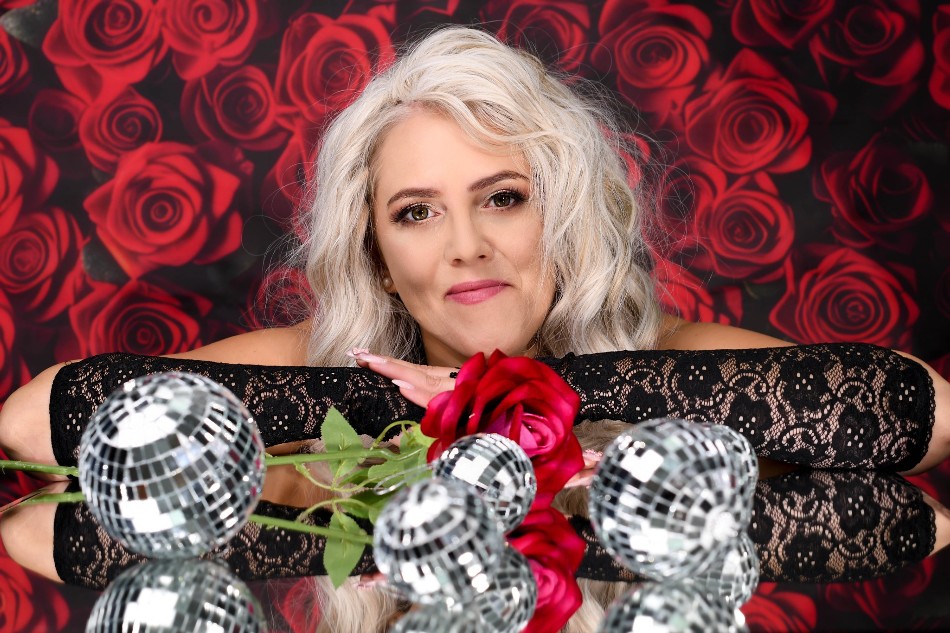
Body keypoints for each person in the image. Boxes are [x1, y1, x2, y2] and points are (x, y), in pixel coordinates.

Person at [0, 26, 948, 631]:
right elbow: (33, 429)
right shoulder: (318, 363)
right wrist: (400, 402)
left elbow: (929, 418)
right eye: (415, 212)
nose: (466, 246)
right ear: (376, 253)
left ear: (564, 216)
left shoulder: (666, 356)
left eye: (503, 197)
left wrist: (537, 395)